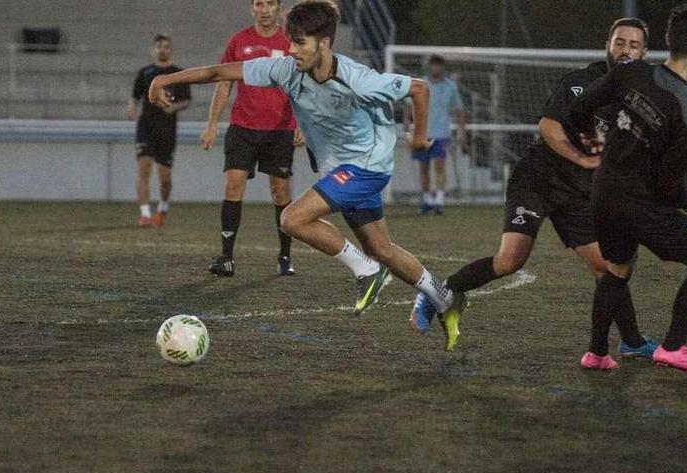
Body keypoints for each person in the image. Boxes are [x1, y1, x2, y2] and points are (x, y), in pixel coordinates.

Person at [148, 1, 466, 350]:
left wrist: (419, 138)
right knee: (381, 248)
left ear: (324, 43)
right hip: (341, 169)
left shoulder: (357, 78)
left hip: (367, 167)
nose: (291, 50)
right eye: (290, 41)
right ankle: (443, 296)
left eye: (300, 43)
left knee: (292, 218)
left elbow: (419, 88)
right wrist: (166, 78)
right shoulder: (286, 70)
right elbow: (219, 73)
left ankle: (367, 271)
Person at [410, 18, 655, 360]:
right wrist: (582, 160)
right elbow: (549, 126)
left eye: (634, 45)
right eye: (620, 42)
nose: (625, 50)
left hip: (578, 194)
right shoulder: (582, 83)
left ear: (644, 52)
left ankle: (632, 340)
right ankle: (439, 291)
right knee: (510, 260)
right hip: (537, 180)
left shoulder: (640, 99)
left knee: (606, 266)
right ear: (608, 45)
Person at [566, 5, 687, 375]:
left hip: (603, 194)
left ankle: (597, 353)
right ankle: (674, 346)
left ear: (667, 41)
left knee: (616, 269)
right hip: (640, 204)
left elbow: (579, 109)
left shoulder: (630, 73)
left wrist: (593, 136)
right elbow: (667, 186)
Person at [201, 0, 302, 277]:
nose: (265, 8)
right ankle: (226, 257)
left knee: (280, 192)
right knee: (233, 186)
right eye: (260, 3)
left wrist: (304, 122)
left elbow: (302, 84)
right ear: (252, 8)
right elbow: (223, 83)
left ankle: (284, 255)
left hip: (280, 129)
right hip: (242, 128)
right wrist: (212, 124)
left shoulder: (290, 41)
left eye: (271, 3)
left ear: (278, 8)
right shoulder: (239, 41)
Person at [128, 34, 191, 227]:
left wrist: (174, 107)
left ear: (170, 50)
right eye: (159, 46)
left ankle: (162, 207)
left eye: (166, 46)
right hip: (146, 127)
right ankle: (145, 213)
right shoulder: (145, 72)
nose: (162, 49)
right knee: (144, 168)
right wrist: (131, 106)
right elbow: (135, 96)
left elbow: (186, 100)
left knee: (165, 178)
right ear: (153, 49)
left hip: (167, 129)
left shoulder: (178, 73)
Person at [403, 55, 466, 214]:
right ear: (430, 67)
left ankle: (439, 200)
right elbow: (409, 107)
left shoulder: (450, 86)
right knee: (424, 168)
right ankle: (426, 200)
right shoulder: (421, 84)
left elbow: (459, 110)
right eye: (433, 65)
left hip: (441, 133)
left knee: (439, 165)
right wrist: (407, 127)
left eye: (438, 65)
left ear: (442, 67)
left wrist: (461, 131)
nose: (436, 68)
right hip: (421, 132)